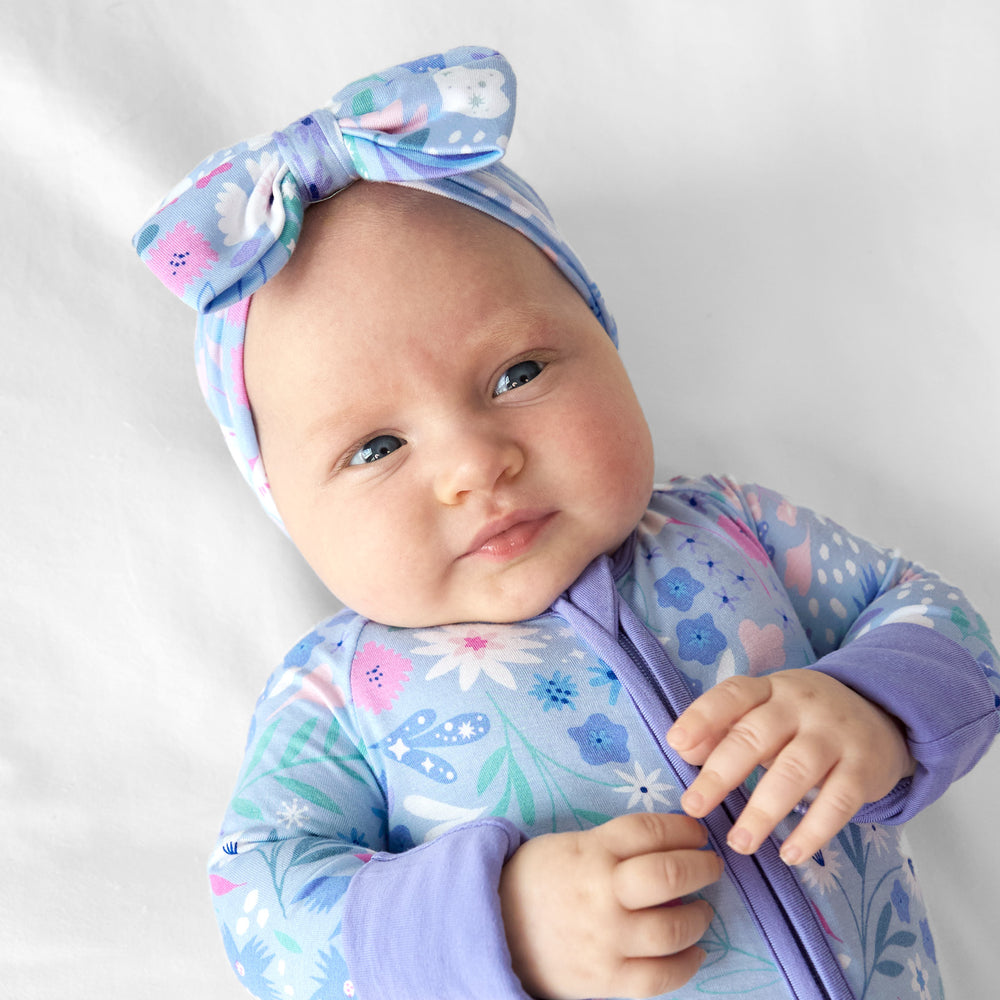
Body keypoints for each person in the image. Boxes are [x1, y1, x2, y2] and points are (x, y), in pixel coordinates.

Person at [133, 47, 999, 1000]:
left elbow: (928, 612)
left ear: (604, 342)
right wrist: (498, 924)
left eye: (519, 375)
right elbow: (258, 900)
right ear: (286, 510)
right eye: (376, 447)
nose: (473, 464)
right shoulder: (340, 693)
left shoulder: (735, 530)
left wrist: (875, 705)